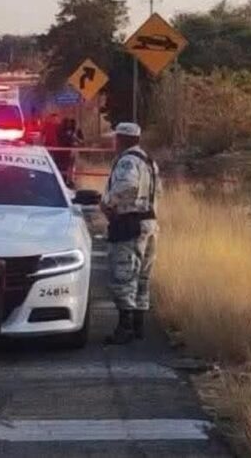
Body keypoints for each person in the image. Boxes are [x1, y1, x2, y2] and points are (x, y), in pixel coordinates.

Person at [100, 122, 160, 345]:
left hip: (129, 224)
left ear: (122, 139)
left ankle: (124, 327)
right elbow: (158, 192)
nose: (114, 142)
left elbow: (127, 187)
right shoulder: (149, 162)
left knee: (123, 276)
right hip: (149, 223)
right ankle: (138, 325)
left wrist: (107, 204)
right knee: (143, 277)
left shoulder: (127, 162)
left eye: (116, 138)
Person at [55, 117, 84, 187]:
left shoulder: (77, 131)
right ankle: (65, 180)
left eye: (72, 123)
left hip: (74, 150)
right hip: (66, 151)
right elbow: (62, 140)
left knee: (72, 166)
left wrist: (76, 140)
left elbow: (82, 141)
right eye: (68, 123)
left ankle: (71, 180)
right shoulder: (63, 131)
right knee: (66, 166)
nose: (70, 124)